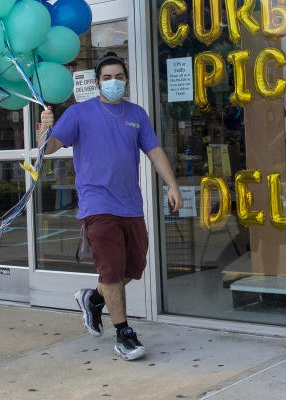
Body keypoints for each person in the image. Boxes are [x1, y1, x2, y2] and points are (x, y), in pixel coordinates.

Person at [38, 51, 183, 361]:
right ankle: (124, 333)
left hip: (130, 205)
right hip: (97, 205)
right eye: (107, 78)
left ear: (126, 80)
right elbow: (48, 149)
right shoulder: (79, 114)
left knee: (135, 267)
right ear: (96, 83)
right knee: (112, 271)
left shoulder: (137, 114)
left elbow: (155, 151)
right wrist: (45, 128)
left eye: (119, 77)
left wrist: (172, 184)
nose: (113, 82)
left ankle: (93, 298)